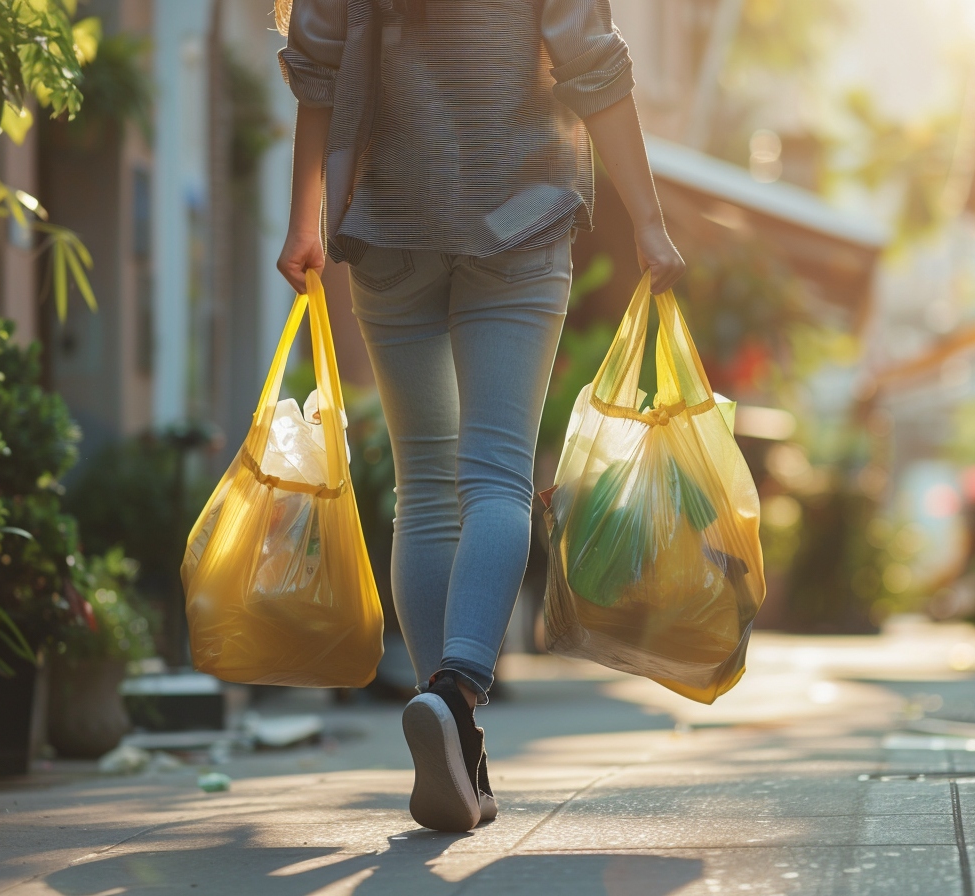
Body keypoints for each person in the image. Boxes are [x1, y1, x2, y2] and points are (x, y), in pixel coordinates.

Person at [274, 0, 684, 833]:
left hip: (386, 222)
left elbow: (315, 67)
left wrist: (302, 221)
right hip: (519, 217)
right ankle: (456, 696)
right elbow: (591, 59)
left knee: (425, 487)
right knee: (495, 476)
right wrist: (648, 220)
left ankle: (458, 745)